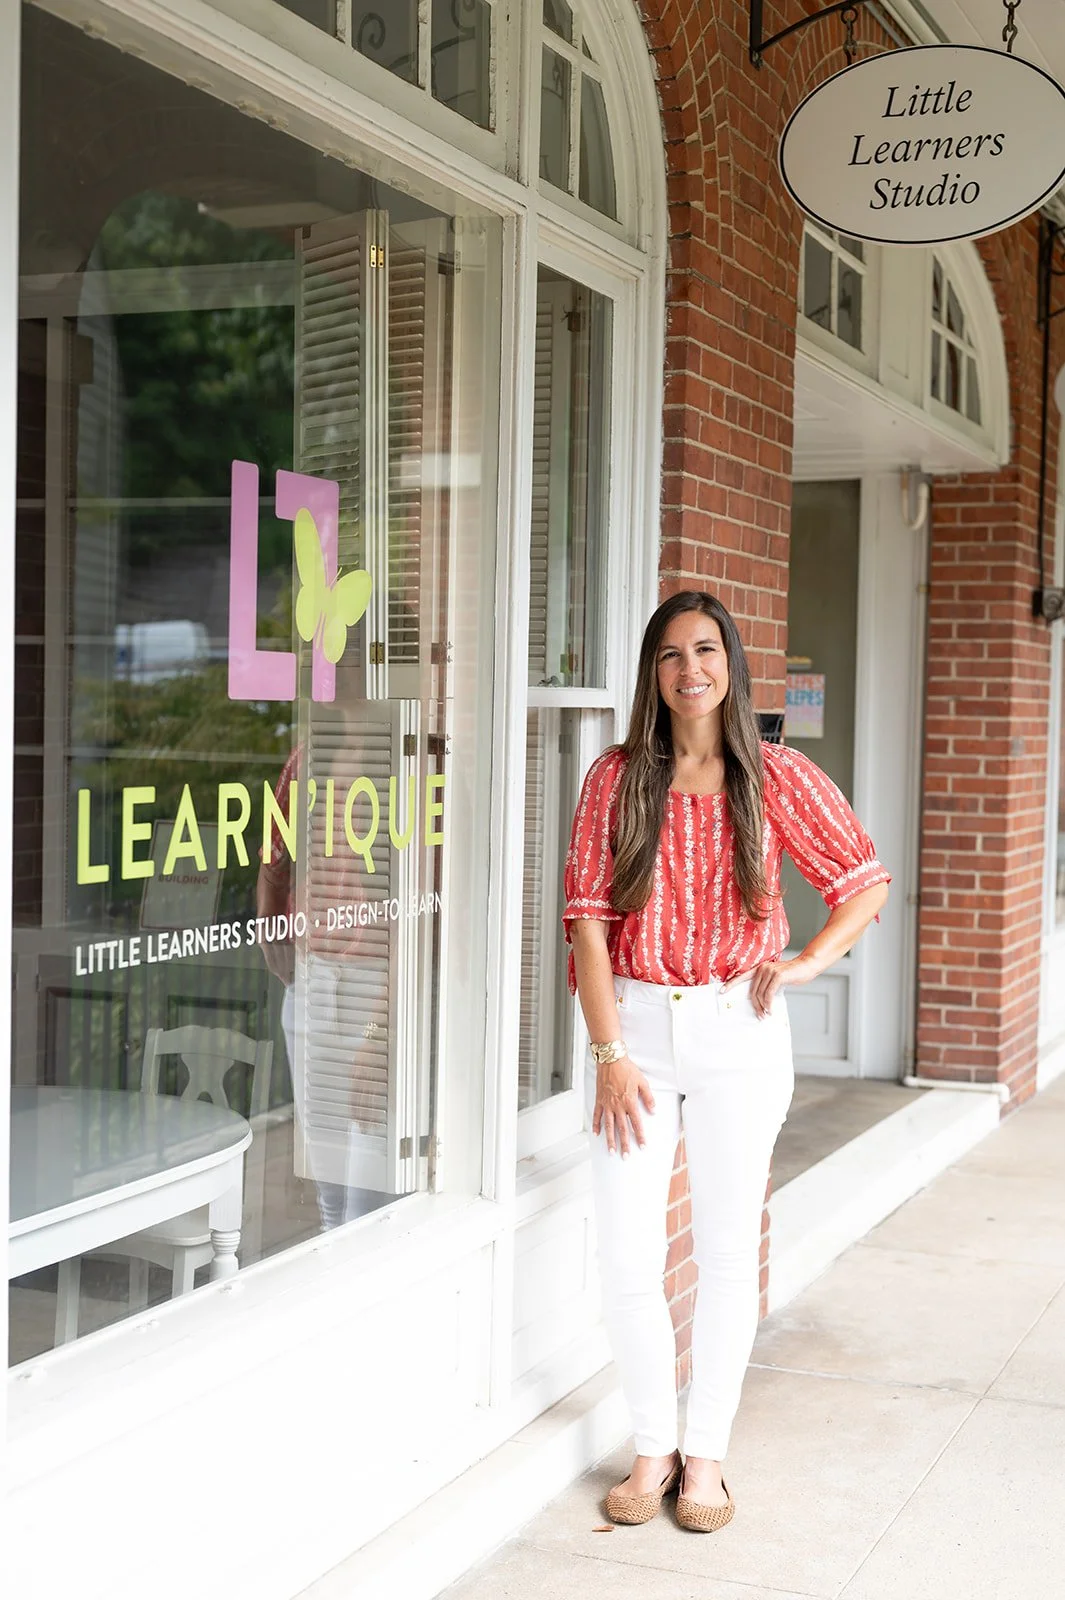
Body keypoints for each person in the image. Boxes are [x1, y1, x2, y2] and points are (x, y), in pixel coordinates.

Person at [562, 590, 890, 1532]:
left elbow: (861, 881)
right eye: (669, 654)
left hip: (738, 1035)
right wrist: (610, 1054)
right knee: (625, 1251)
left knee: (720, 1250)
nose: (689, 669)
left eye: (705, 650)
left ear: (730, 665)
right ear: (651, 673)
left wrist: (804, 964)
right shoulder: (616, 778)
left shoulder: (774, 775)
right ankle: (651, 1446)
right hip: (636, 1035)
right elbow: (587, 922)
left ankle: (703, 1456)